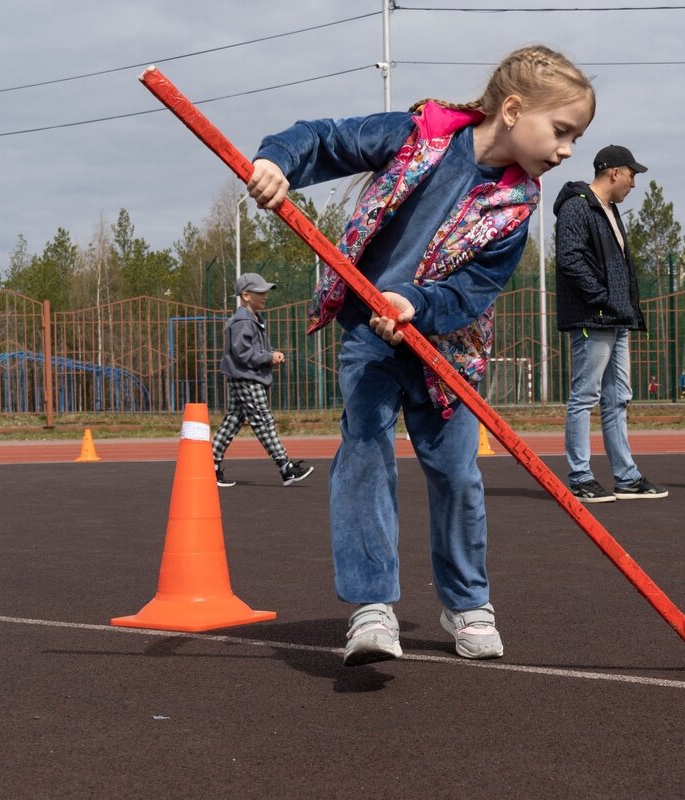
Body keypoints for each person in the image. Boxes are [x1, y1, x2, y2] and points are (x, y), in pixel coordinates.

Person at [246, 45, 596, 666]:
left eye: (574, 137)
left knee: (458, 474)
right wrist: (278, 161)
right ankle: (372, 605)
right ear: (513, 110)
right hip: (366, 336)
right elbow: (324, 140)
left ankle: (467, 602)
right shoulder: (418, 133)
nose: (567, 149)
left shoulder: (519, 203)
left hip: (447, 350)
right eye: (562, 131)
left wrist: (416, 304)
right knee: (362, 456)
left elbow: (477, 287)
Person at [554, 143, 667, 504]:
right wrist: (601, 297)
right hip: (594, 316)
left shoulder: (610, 210)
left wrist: (622, 306)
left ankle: (626, 477)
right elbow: (569, 258)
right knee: (584, 396)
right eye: (632, 175)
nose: (634, 183)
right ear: (614, 172)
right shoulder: (577, 206)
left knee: (618, 398)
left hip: (617, 318)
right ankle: (581, 476)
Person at [212, 273, 315, 488]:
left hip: (245, 377)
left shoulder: (253, 320)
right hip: (247, 378)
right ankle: (285, 467)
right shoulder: (242, 322)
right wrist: (269, 357)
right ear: (245, 296)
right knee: (263, 421)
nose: (265, 296)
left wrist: (271, 353)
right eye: (260, 292)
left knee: (234, 420)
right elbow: (243, 354)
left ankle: (209, 464)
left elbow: (251, 350)